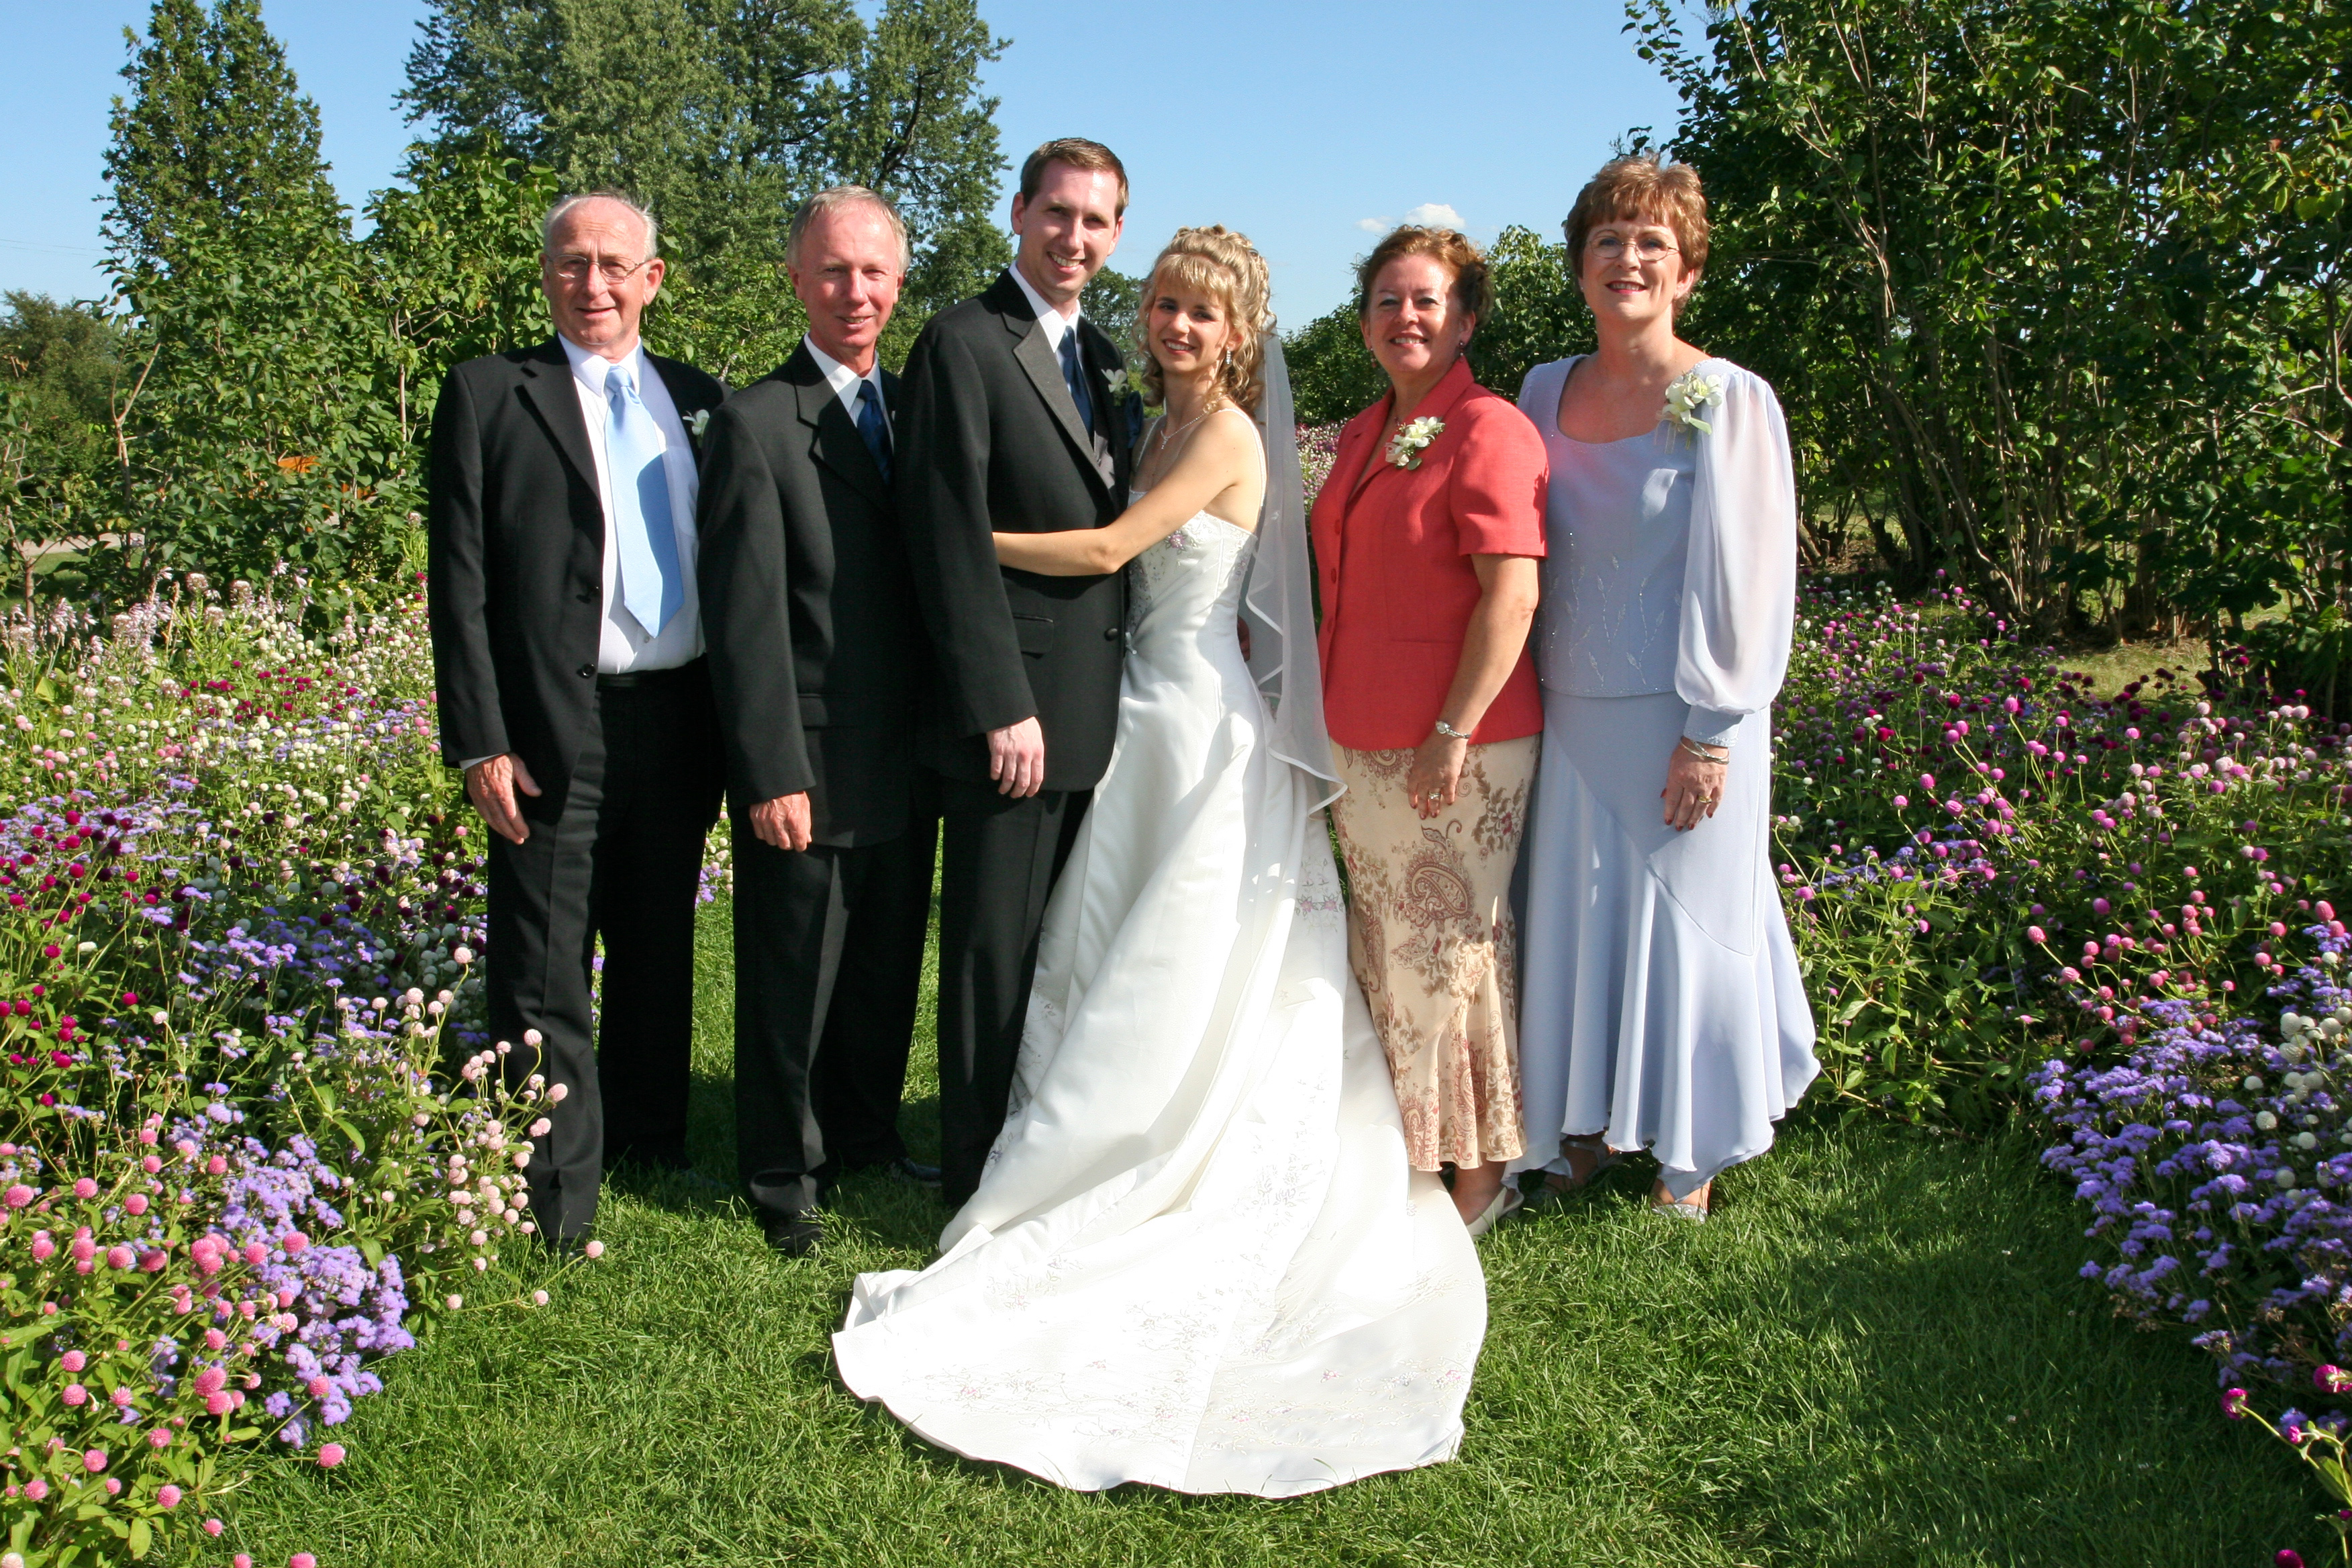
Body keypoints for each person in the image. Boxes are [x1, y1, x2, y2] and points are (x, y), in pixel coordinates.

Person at [834, 226, 1483, 1495]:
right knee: (1112, 941)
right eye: (1167, 305)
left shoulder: (1230, 439)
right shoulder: (1147, 420)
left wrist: (955, 544)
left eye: (1203, 313)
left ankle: (1157, 1145)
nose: (1179, 326)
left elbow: (1108, 553)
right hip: (1136, 713)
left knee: (1178, 962)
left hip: (1196, 729)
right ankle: (1076, 1129)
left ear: (1239, 332)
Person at [1510, 154, 1817, 1221]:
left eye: (1653, 243)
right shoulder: (1541, 389)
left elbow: (1748, 573)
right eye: (1608, 239)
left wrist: (1714, 729)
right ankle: (1581, 1130)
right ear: (1579, 263)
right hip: (1567, 710)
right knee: (1576, 924)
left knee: (1689, 920)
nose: (1627, 259)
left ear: (1687, 272)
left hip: (1685, 717)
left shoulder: (1728, 399)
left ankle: (1690, 1152)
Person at [426, 191, 727, 1245]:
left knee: (655, 940)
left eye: (614, 264)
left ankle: (651, 1144)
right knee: (545, 956)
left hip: (681, 716)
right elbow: (456, 585)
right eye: (570, 263)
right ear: (545, 273)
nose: (591, 284)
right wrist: (477, 736)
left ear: (652, 278)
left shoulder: (700, 399)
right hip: (552, 724)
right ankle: (555, 1189)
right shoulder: (488, 395)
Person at [893, 138, 1138, 1210]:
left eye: (1095, 221)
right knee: (995, 947)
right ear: (1019, 212)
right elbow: (944, 534)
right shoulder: (961, 342)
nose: (1073, 238)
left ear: (1116, 233)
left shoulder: (1112, 356)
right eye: (1057, 214)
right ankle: (974, 1160)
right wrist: (1000, 704)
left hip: (1107, 706)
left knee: (1069, 943)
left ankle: (1041, 1133)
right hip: (1020, 710)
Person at [694, 187, 938, 1259]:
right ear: (796, 278)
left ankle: (869, 1134)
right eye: (834, 271)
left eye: (875, 273)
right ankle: (782, 1169)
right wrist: (768, 770)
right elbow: (743, 620)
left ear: (899, 283)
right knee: (796, 973)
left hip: (905, 751)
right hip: (807, 755)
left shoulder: (917, 406)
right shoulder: (758, 422)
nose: (856, 292)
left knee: (884, 965)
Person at [1308, 226, 1547, 1234]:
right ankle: (1409, 1146)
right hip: (1356, 738)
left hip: (1460, 745)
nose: (1406, 317)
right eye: (1387, 299)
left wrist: (1452, 728)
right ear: (1363, 318)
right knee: (1390, 953)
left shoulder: (1490, 429)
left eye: (1428, 300)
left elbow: (1512, 597)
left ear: (1467, 319)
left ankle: (1488, 1165)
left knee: (1454, 953)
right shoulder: (1364, 431)